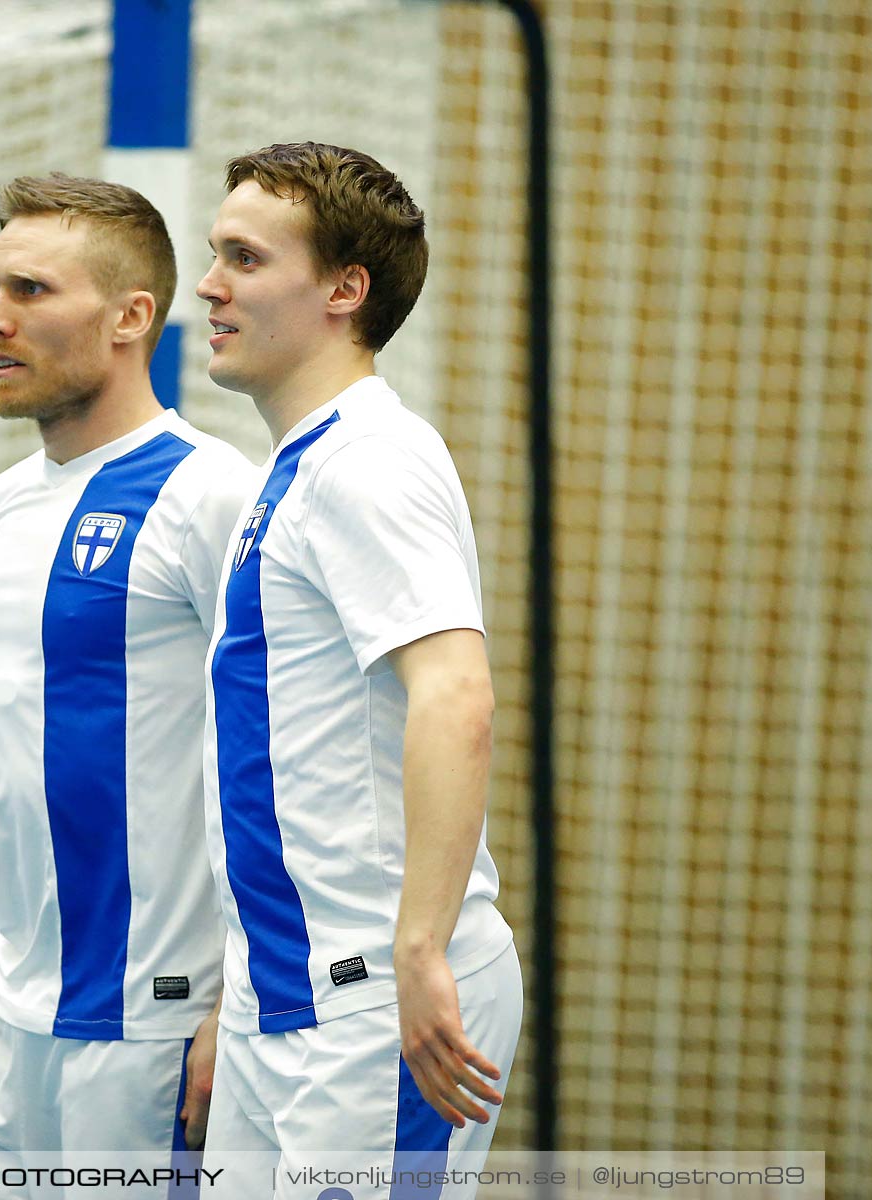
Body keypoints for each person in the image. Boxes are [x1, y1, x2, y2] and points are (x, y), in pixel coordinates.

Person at [0, 174, 255, 1177]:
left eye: (30, 292)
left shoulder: (212, 498)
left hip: (148, 1032)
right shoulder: (5, 504)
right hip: (1, 1016)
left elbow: (292, 763)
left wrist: (245, 1011)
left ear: (133, 316)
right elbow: (20, 764)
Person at [194, 143, 522, 1187]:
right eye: (215, 254)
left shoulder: (369, 461)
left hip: (376, 999)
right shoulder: (293, 470)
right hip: (282, 998)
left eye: (245, 258)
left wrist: (420, 953)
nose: (210, 285)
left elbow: (457, 694)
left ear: (345, 290)